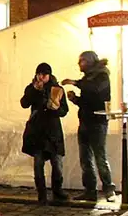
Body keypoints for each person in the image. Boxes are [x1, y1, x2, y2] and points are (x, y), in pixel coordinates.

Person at [62, 51, 114, 202]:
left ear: (90, 61)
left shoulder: (102, 75)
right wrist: (75, 99)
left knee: (100, 157)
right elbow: (87, 100)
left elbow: (94, 90)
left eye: (82, 61)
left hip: (98, 122)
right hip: (85, 121)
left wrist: (75, 83)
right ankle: (90, 190)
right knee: (85, 158)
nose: (79, 64)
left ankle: (108, 188)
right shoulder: (87, 77)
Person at [20, 63, 70, 205]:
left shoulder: (57, 89)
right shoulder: (31, 88)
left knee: (57, 163)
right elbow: (24, 103)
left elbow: (64, 111)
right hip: (37, 131)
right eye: (39, 74)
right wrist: (34, 91)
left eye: (44, 75)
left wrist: (55, 109)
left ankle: (57, 190)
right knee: (38, 163)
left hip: (53, 131)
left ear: (49, 75)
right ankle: (41, 193)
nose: (41, 77)